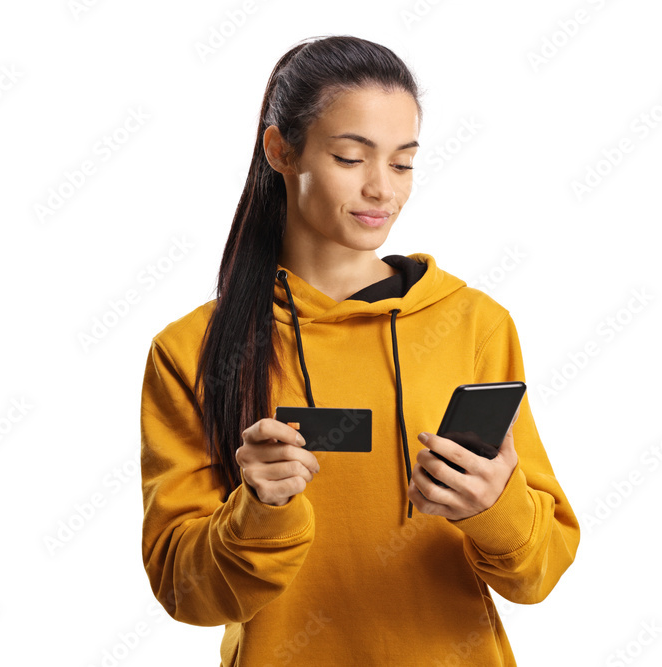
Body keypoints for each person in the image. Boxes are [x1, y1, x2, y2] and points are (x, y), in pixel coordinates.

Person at [139, 34, 580, 666]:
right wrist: (258, 512)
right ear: (280, 150)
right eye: (352, 157)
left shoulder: (474, 325)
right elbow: (185, 592)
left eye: (403, 163)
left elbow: (537, 573)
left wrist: (494, 506)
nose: (383, 189)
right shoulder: (192, 350)